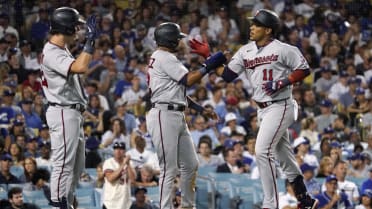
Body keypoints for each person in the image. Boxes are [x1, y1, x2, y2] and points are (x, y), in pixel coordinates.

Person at [190, 9, 317, 209]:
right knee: (284, 156)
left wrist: (283, 82)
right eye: (252, 24)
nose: (252, 27)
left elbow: (304, 69)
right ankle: (305, 200)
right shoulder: (245, 50)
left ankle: (270, 203)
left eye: (256, 25)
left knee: (261, 151)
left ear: (268, 30)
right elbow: (228, 75)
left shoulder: (284, 48)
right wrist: (208, 55)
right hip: (263, 109)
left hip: (281, 104)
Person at [146, 22, 223, 209]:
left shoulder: (163, 57)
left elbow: (176, 91)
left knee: (190, 164)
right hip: (164, 115)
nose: (181, 42)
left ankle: (187, 206)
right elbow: (188, 80)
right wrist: (209, 65)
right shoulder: (164, 57)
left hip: (174, 112)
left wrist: (199, 109)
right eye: (178, 38)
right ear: (170, 40)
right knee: (169, 169)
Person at [40, 7, 98, 209]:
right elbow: (80, 67)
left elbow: (79, 66)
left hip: (71, 112)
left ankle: (67, 200)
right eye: (75, 26)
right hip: (63, 111)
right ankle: (57, 204)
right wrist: (90, 43)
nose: (78, 30)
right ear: (65, 27)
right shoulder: (51, 52)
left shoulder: (60, 49)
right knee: (63, 163)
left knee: (76, 166)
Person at [102, 142, 136, 209]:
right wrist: (123, 164)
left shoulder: (130, 163)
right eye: (116, 149)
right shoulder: (108, 162)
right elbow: (110, 179)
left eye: (121, 149)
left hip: (125, 203)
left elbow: (133, 179)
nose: (118, 151)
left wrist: (128, 164)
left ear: (124, 151)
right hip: (111, 203)